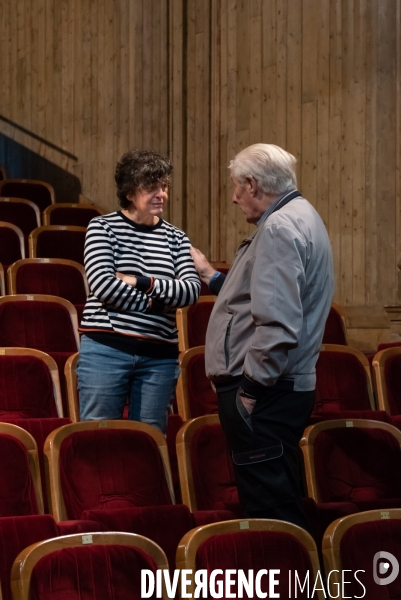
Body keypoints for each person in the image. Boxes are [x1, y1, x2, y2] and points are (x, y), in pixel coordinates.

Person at [190, 143, 334, 530]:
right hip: (280, 388)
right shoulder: (302, 215)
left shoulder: (279, 228)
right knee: (279, 499)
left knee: (271, 515)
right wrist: (211, 277)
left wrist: (250, 393)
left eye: (237, 186)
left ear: (253, 184)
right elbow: (259, 295)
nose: (235, 197)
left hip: (265, 392)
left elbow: (278, 324)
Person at [77, 149, 200, 432]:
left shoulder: (176, 237)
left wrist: (140, 281)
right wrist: (157, 305)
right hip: (107, 349)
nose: (161, 194)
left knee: (150, 440)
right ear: (130, 193)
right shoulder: (102, 227)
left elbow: (190, 291)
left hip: (160, 355)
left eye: (164, 186)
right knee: (99, 435)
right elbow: (105, 286)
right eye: (151, 187)